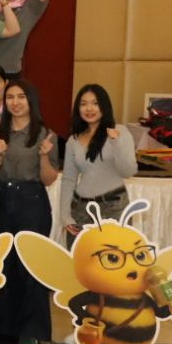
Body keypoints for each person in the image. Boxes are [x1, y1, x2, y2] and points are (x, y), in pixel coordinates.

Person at [0, 77, 59, 344]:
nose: (15, 103)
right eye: (10, 97)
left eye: (20, 97)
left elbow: (49, 179)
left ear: (31, 101)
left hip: (32, 201)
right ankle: (1, 326)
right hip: (1, 200)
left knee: (30, 264)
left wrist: (43, 156)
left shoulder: (45, 134)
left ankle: (31, 330)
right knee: (2, 262)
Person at [60, 83, 135, 236]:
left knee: (114, 251)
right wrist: (65, 216)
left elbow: (127, 171)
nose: (89, 109)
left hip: (113, 207)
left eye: (95, 103)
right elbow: (68, 179)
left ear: (104, 105)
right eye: (83, 104)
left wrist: (115, 142)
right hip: (80, 209)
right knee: (80, 252)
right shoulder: (73, 140)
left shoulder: (120, 131)